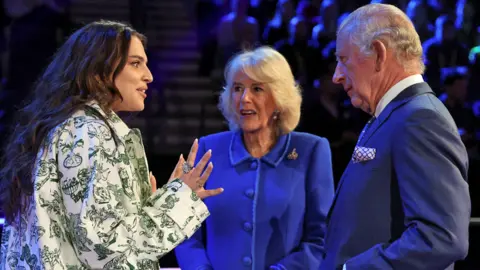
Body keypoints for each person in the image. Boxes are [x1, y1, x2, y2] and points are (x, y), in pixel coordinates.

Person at [0, 20, 223, 269]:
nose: (149, 76)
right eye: (136, 63)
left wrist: (158, 203)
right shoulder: (90, 134)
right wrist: (179, 199)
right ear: (98, 71)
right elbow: (105, 251)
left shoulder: (70, 127)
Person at [322, 4, 470, 270]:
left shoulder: (420, 119)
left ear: (379, 54)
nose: (336, 76)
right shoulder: (398, 115)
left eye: (343, 59)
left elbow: (441, 237)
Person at [175, 46, 335, 270]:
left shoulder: (311, 150)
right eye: (237, 88)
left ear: (279, 98)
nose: (244, 98)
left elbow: (322, 239)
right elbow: (185, 233)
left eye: (257, 89)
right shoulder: (207, 149)